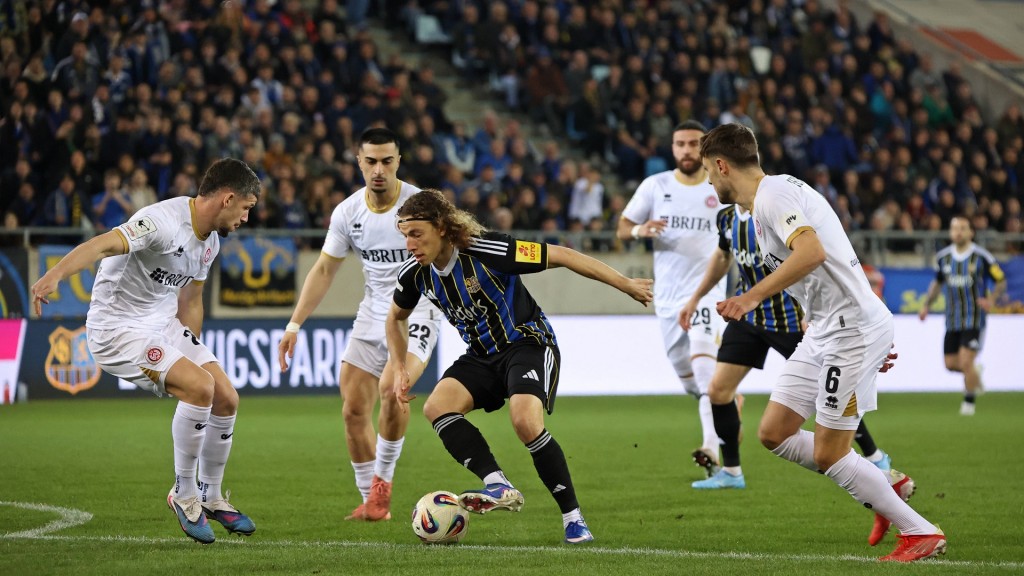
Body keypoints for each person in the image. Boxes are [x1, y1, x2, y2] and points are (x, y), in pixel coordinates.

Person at [701, 123, 945, 562]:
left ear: (721, 165)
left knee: (831, 452)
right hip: (829, 331)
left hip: (851, 329)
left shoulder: (773, 196)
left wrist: (751, 297)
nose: (709, 181)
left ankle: (919, 531)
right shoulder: (766, 202)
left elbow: (812, 253)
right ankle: (881, 486)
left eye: (707, 171)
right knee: (774, 433)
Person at [385, 189, 653, 544]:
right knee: (437, 407)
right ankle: (497, 483)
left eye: (416, 233)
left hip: (528, 342)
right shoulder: (414, 274)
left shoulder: (489, 250)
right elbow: (395, 318)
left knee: (525, 420)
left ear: (442, 228)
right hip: (481, 355)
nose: (410, 243)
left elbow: (563, 255)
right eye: (404, 235)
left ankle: (574, 519)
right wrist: (399, 366)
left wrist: (626, 283)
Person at [30, 158, 261, 544]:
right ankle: (184, 495)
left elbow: (191, 301)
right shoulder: (162, 221)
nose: (246, 218)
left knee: (225, 397)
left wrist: (188, 357)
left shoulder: (211, 242)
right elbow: (101, 243)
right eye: (247, 208)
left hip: (162, 323)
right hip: (116, 328)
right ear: (228, 198)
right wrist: (55, 275)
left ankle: (211, 494)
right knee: (201, 389)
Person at [680, 202, 916, 547]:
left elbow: (812, 264)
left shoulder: (774, 211)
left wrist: (851, 338)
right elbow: (722, 257)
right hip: (748, 318)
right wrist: (696, 297)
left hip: (793, 320)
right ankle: (731, 471)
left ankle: (874, 460)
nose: (713, 184)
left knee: (831, 396)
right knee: (718, 390)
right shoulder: (727, 218)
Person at [277, 128, 442, 521]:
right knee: (352, 410)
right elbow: (323, 270)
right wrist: (294, 325)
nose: (379, 169)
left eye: (387, 161)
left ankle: (381, 494)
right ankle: (372, 503)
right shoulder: (348, 213)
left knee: (392, 388)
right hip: (372, 315)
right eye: (371, 161)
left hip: (417, 311)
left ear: (398, 161)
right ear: (359, 162)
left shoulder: (421, 205)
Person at [615, 120, 726, 479]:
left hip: (707, 294)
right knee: (691, 381)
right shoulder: (656, 185)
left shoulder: (717, 185)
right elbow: (622, 227)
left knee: (705, 368)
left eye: (694, 144)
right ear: (673, 147)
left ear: (704, 147)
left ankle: (712, 445)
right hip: (667, 299)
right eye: (680, 144)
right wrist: (639, 230)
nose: (687, 151)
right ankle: (726, 405)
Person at [919, 216, 1005, 416]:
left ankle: (968, 403)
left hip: (974, 318)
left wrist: (991, 300)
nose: (958, 232)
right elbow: (938, 284)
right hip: (952, 318)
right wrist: (926, 305)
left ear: (971, 232)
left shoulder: (982, 257)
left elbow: (1001, 281)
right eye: (954, 228)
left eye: (962, 228)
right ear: (950, 232)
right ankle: (975, 373)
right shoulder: (943, 258)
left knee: (966, 361)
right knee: (950, 365)